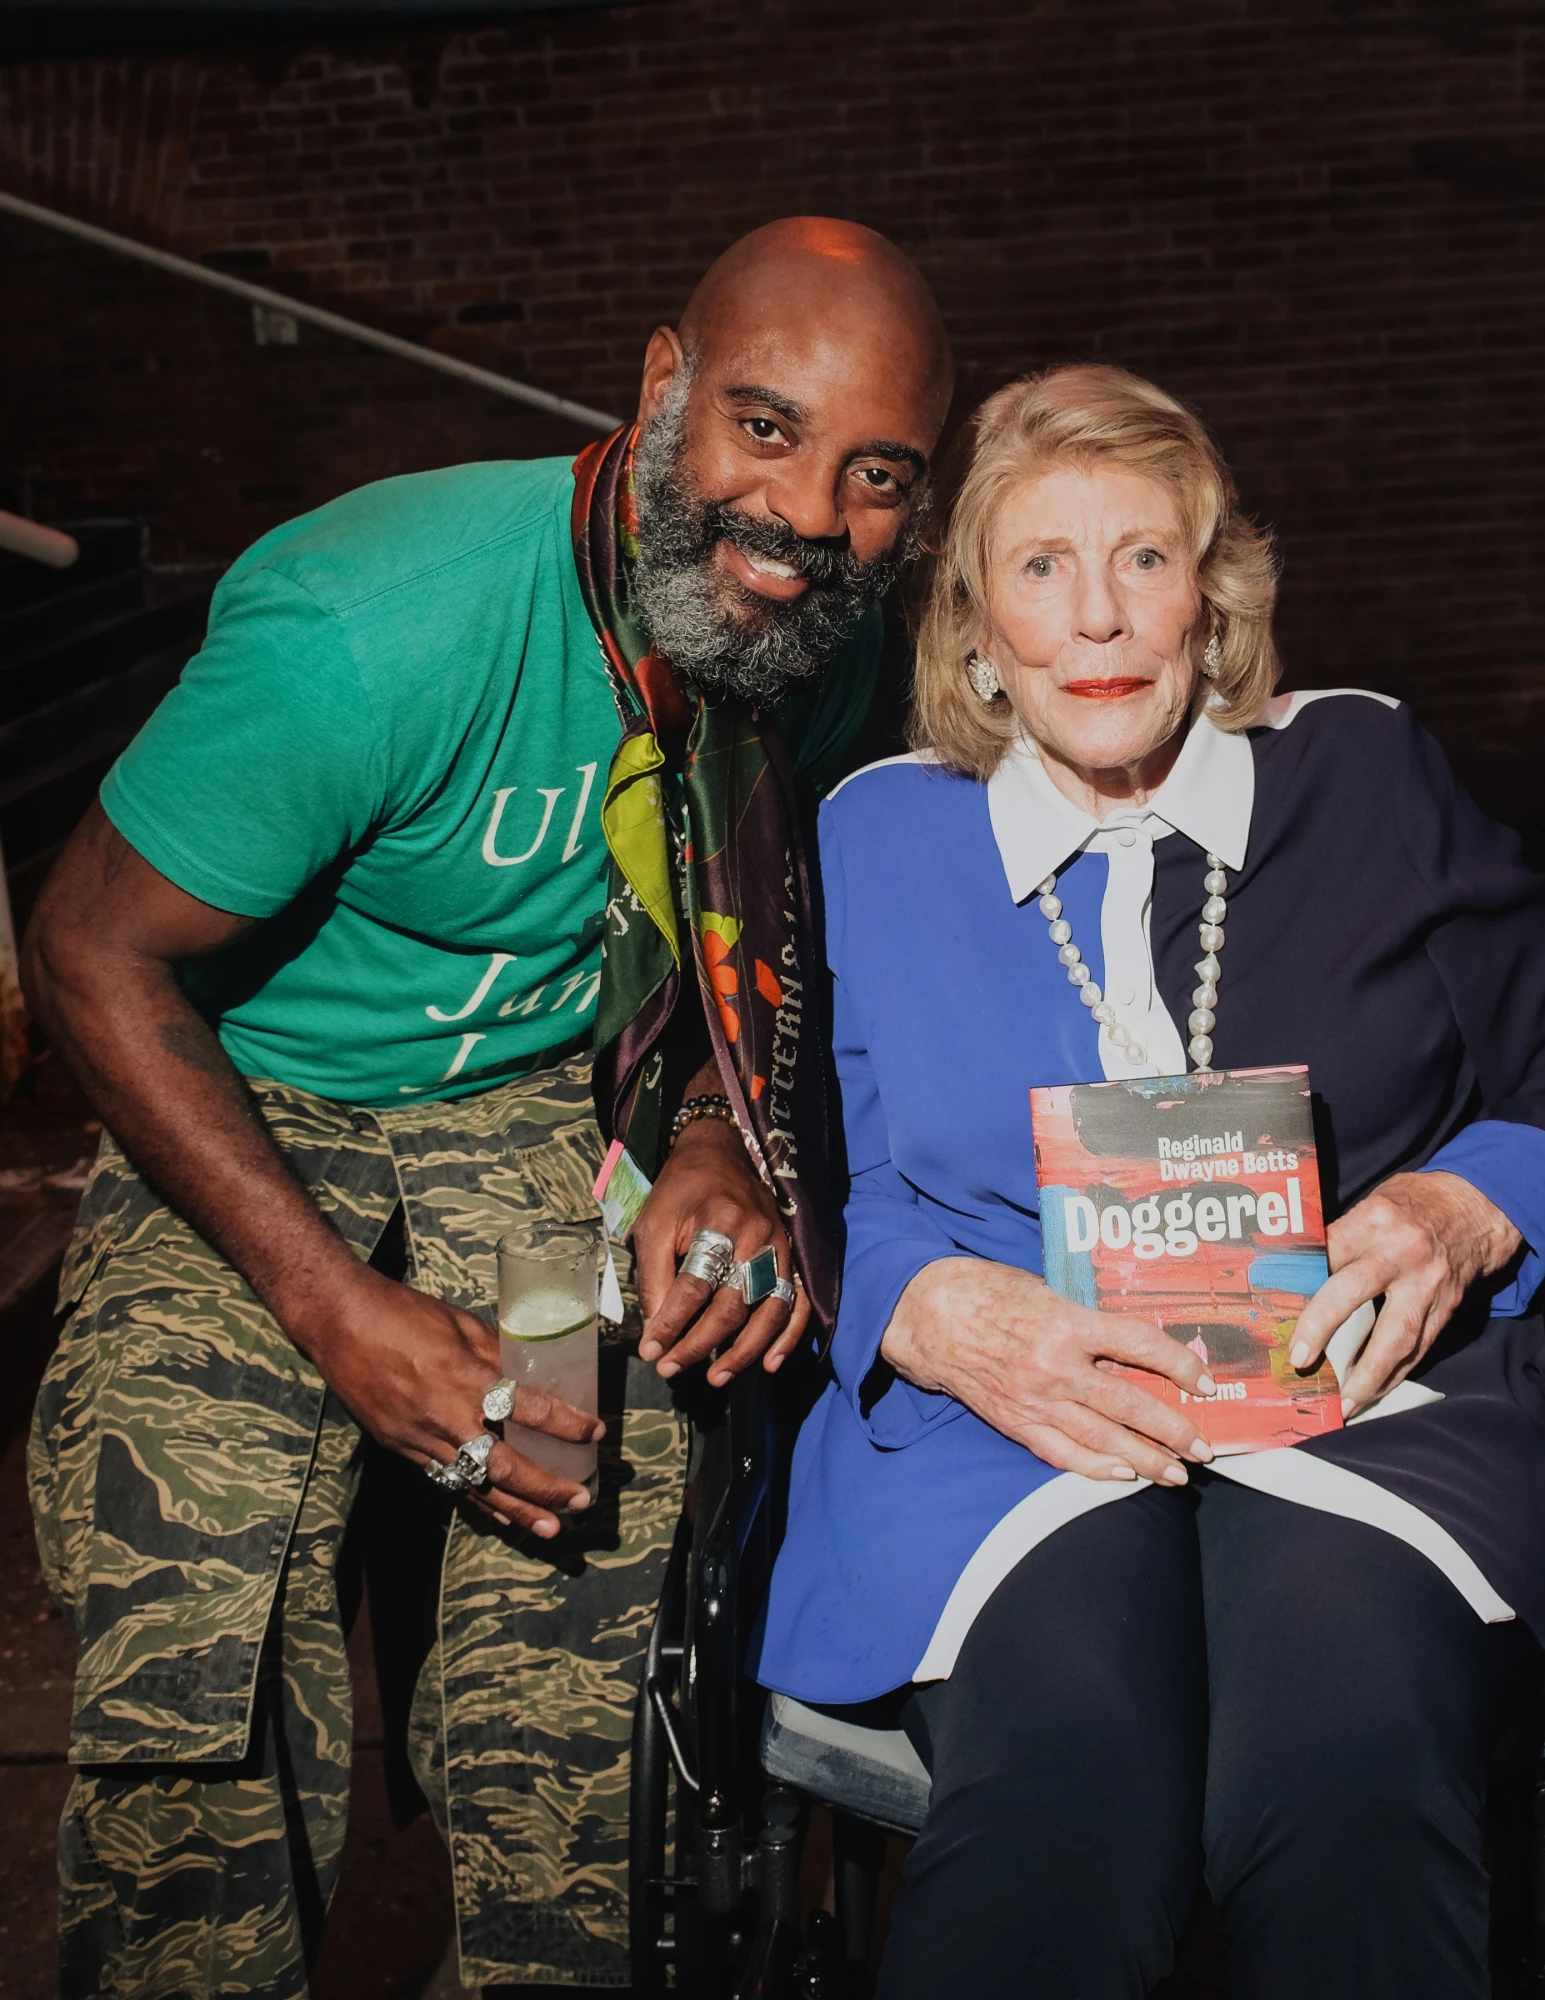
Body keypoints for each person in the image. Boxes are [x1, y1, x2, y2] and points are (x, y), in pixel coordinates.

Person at [22, 217, 953, 1997]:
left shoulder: (823, 643)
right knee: (190, 1572)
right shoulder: (376, 627)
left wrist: (713, 1133)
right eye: (765, 428)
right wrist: (331, 1310)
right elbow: (85, 951)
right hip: (254, 1089)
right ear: (663, 387)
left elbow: (766, 945)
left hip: (546, 1105)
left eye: (876, 473)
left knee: (595, 1540)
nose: (805, 518)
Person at [756, 363, 1545, 1999]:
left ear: (1211, 601)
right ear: (975, 628)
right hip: (1008, 1424)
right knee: (1064, 1803)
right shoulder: (875, 838)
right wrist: (925, 1311)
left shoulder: (1366, 771)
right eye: (1042, 566)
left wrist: (1462, 1207)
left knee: (1347, 1779)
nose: (1098, 617)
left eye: (1143, 557)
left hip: (1360, 1405)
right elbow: (814, 1176)